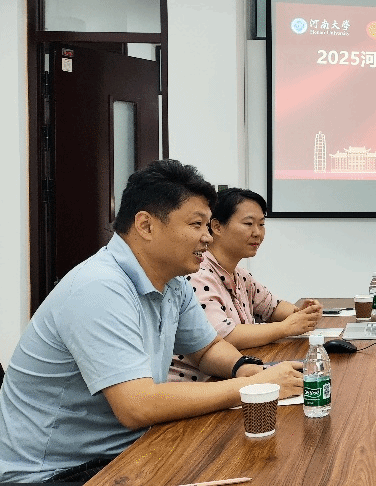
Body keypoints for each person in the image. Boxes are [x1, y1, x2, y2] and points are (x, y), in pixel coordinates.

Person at [0, 160, 303, 483]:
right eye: (196, 224)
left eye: (207, 225)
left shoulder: (173, 282)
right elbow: (137, 406)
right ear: (146, 225)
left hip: (131, 450)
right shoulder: (99, 288)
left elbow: (206, 349)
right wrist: (251, 387)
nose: (206, 237)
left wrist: (246, 369)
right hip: (59, 473)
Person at [169, 188, 323, 382]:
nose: (257, 233)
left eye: (261, 224)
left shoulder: (240, 275)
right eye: (248, 224)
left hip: (231, 373)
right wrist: (286, 328)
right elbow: (223, 335)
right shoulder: (197, 274)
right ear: (216, 227)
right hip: (197, 384)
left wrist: (301, 313)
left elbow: (272, 307)